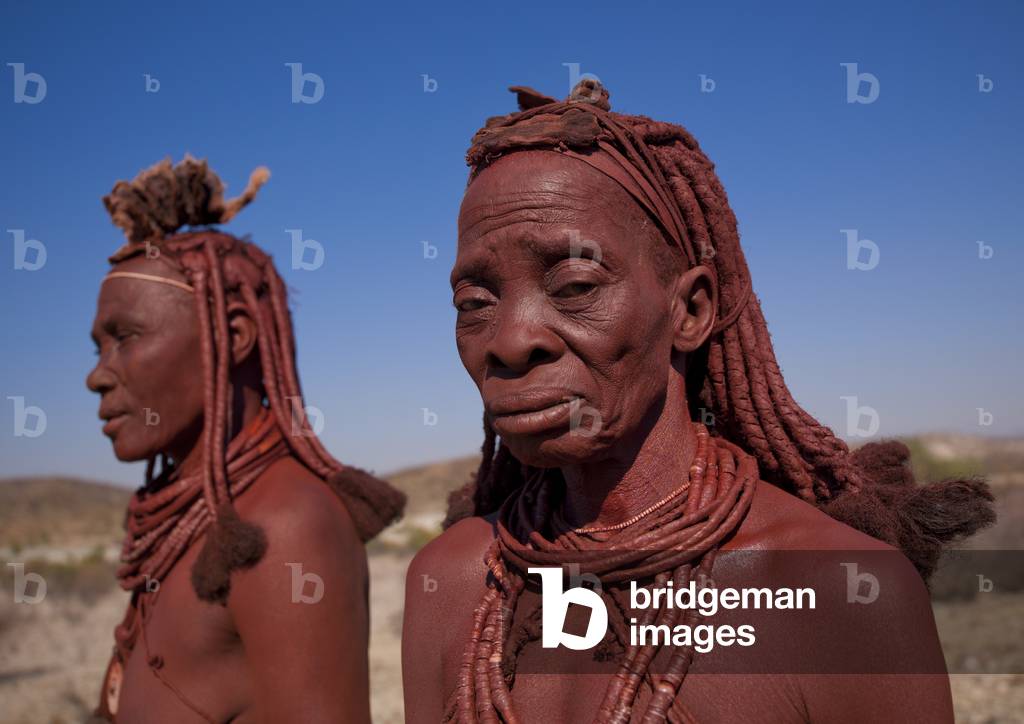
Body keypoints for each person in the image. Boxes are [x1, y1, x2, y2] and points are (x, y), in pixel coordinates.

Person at [402, 81, 995, 723]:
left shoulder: (838, 593)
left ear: (690, 310)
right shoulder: (453, 581)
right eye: (474, 305)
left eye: (574, 284)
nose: (512, 340)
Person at [86, 156, 405, 723]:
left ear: (233, 335)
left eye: (125, 338)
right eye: (98, 347)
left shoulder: (285, 525)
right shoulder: (193, 522)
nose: (97, 375)